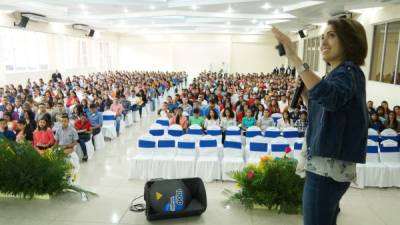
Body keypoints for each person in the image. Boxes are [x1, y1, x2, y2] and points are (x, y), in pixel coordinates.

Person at [273, 17, 368, 225]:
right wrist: (308, 97)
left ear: (350, 40)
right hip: (325, 164)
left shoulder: (349, 72)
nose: (323, 42)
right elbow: (327, 111)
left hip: (327, 167)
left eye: (331, 36)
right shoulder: (335, 75)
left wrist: (296, 59)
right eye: (322, 36)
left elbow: (331, 99)